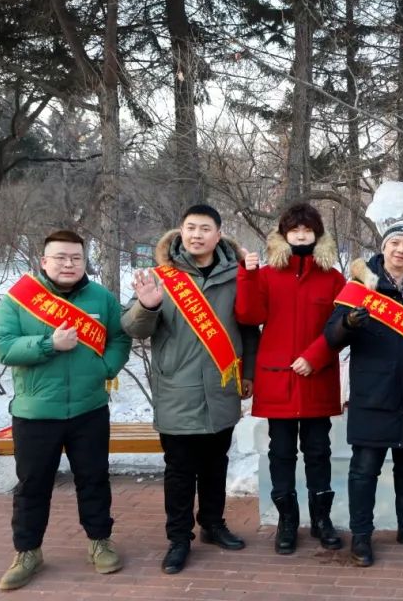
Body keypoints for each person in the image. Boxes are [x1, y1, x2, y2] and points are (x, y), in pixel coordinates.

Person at [0, 229, 132, 591]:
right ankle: (27, 552)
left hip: (89, 408)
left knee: (94, 479)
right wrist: (47, 343)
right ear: (44, 261)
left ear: (84, 261)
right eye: (61, 257)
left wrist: (106, 368)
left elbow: (119, 337)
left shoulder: (101, 297)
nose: (69, 264)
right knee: (32, 485)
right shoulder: (20, 299)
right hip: (36, 412)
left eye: (76, 258)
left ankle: (100, 542)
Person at [121, 204, 258, 574]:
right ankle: (179, 538)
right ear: (181, 232)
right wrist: (146, 306)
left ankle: (213, 524)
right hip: (176, 389)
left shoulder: (236, 276)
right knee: (180, 471)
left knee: (216, 464)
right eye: (191, 227)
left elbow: (249, 329)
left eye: (205, 228)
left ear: (218, 234)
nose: (197, 235)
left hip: (222, 387)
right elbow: (133, 329)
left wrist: (248, 373)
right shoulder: (161, 278)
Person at [323, 222, 403, 567]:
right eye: (395, 243)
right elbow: (331, 337)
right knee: (364, 470)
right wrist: (348, 324)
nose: (401, 250)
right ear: (384, 248)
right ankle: (361, 535)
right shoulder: (360, 286)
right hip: (373, 395)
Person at [235, 202, 346, 554]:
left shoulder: (333, 278)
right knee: (280, 452)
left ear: (317, 235)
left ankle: (322, 520)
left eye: (307, 229)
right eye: (294, 230)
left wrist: (316, 357)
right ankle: (287, 520)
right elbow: (249, 315)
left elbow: (341, 326)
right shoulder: (267, 275)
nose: (300, 235)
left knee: (318, 451)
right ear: (283, 234)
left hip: (316, 377)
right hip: (277, 379)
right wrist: (247, 275)